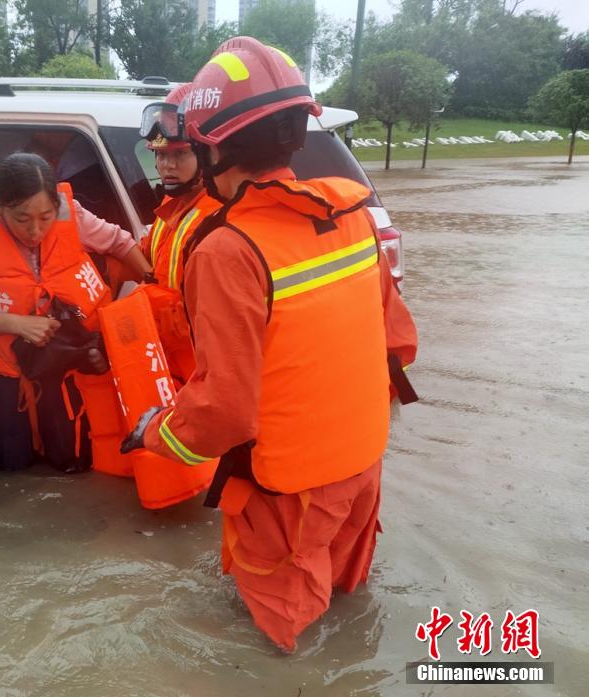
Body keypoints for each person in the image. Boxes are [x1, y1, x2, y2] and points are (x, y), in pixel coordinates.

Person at [121, 37, 418, 652]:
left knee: (280, 648)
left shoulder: (228, 250)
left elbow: (224, 413)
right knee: (347, 611)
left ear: (213, 144)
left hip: (288, 493)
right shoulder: (352, 217)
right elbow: (397, 344)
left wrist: (155, 431)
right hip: (362, 469)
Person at [0, 153, 151, 474]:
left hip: (61, 374)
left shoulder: (71, 215)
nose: (35, 230)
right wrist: (18, 324)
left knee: (72, 461)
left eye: (45, 217)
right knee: (5, 471)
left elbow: (119, 242)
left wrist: (151, 281)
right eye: (21, 218)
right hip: (0, 382)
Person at [138, 84, 223, 383]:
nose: (167, 166)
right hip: (168, 360)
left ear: (205, 154)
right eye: (160, 156)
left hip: (195, 369)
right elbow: (148, 253)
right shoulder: (173, 203)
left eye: (180, 154)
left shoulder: (216, 217)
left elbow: (203, 315)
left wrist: (139, 312)